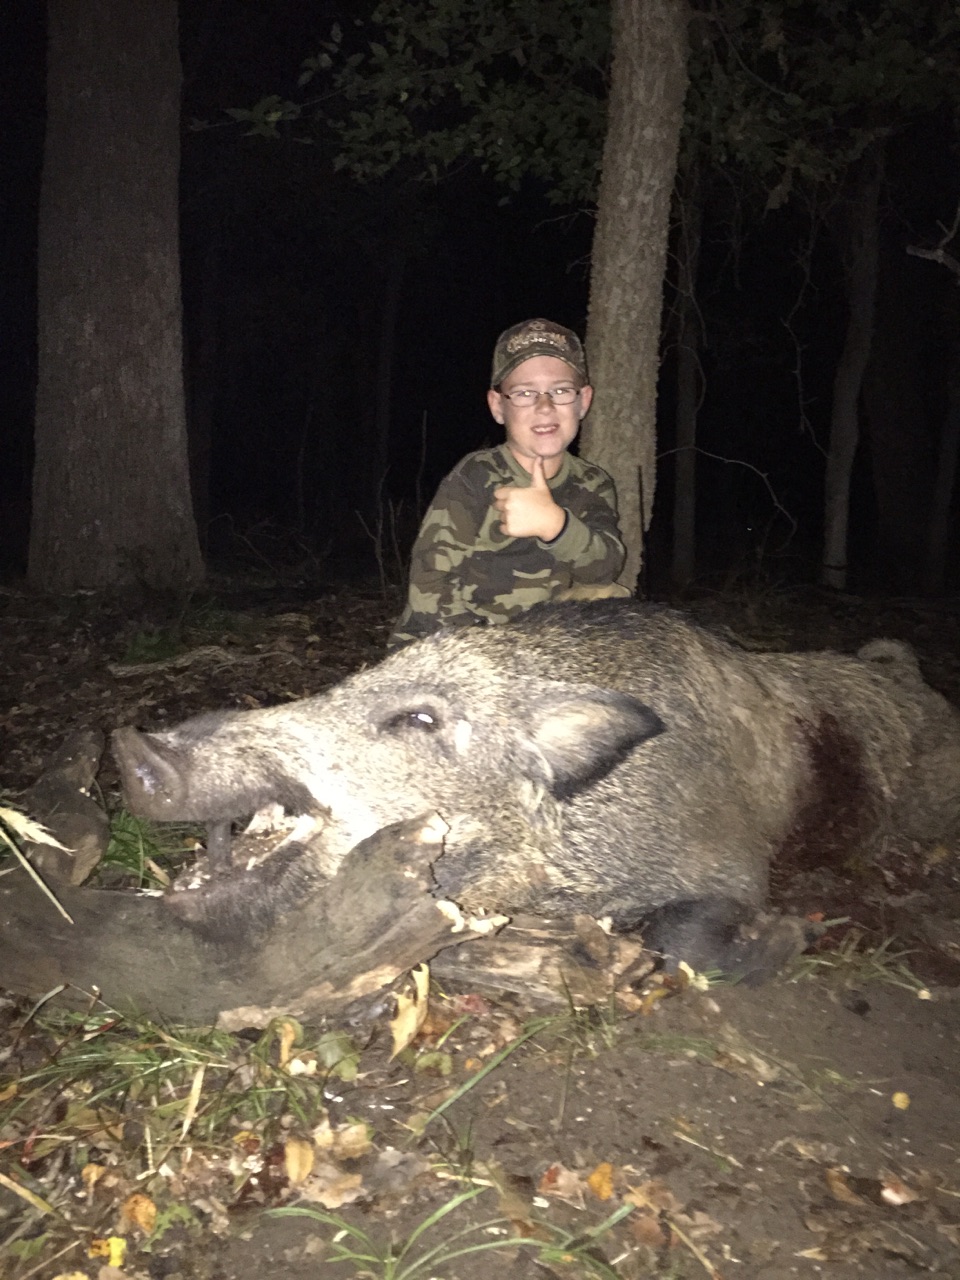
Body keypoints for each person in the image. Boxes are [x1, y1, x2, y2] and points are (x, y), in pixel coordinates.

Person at [388, 317, 627, 650]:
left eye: (560, 390)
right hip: (453, 644)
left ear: (583, 401)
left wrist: (556, 526)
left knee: (611, 597)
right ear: (498, 406)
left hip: (540, 643)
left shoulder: (593, 482)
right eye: (525, 393)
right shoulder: (476, 476)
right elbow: (430, 583)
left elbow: (604, 569)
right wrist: (490, 656)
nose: (545, 407)